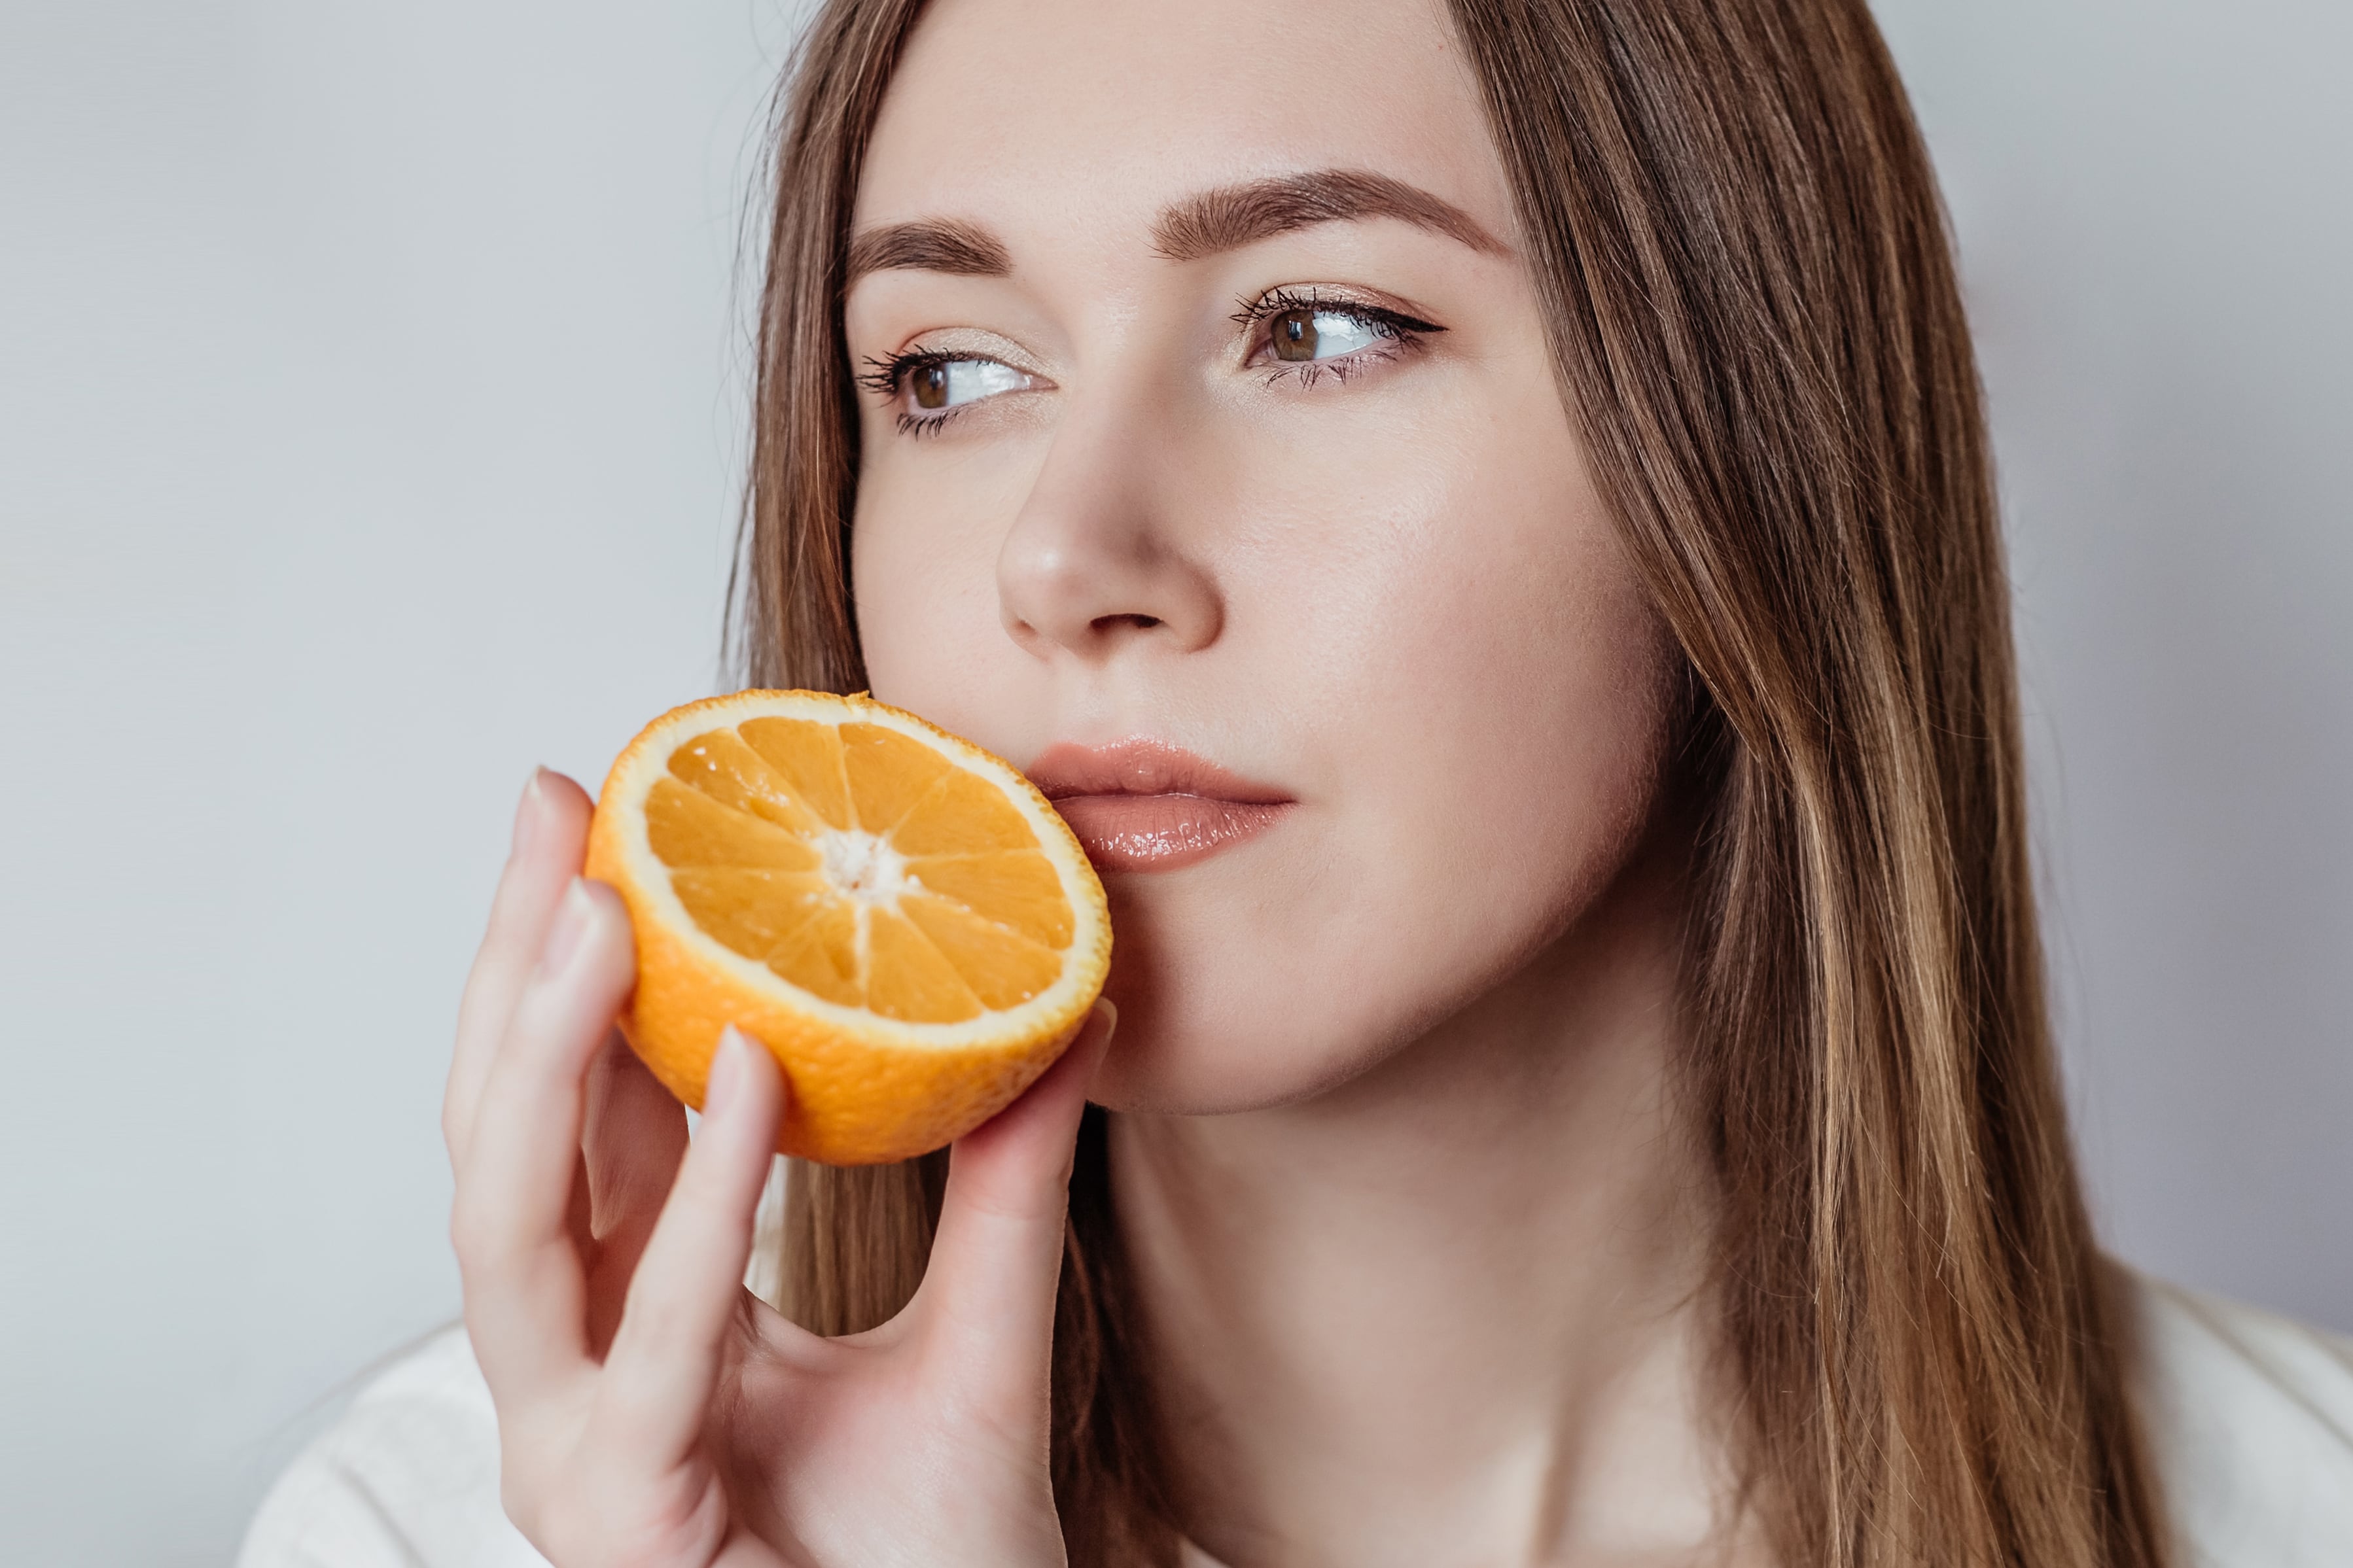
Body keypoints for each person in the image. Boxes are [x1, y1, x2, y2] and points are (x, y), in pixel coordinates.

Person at [238, 0, 2353, 1563]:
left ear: (1748, 450)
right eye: (948, 374)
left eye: (1322, 326)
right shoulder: (453, 1530)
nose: (1066, 561)